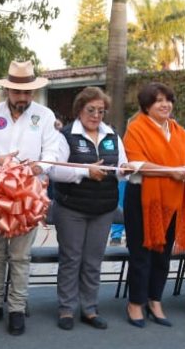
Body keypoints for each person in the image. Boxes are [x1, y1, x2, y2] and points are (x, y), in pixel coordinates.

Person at [0, 60, 59, 336]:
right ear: (7, 90)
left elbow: (52, 154)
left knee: (21, 256)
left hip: (28, 196)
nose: (22, 98)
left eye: (27, 93)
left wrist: (39, 167)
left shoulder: (45, 116)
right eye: (17, 92)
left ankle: (17, 308)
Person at [48, 86, 129, 331]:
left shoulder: (112, 135)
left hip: (103, 208)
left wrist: (125, 170)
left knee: (93, 260)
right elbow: (54, 170)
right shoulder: (65, 136)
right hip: (71, 208)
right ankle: (66, 309)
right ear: (79, 110)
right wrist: (85, 171)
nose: (96, 115)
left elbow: (122, 167)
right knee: (71, 259)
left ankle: (90, 309)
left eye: (100, 111)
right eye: (90, 110)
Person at [122, 82, 185, 328]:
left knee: (163, 256)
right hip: (142, 199)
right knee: (141, 254)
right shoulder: (136, 129)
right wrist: (172, 172)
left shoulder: (179, 131)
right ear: (146, 106)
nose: (165, 105)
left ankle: (155, 300)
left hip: (173, 200)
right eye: (158, 101)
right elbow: (136, 163)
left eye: (168, 100)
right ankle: (135, 303)